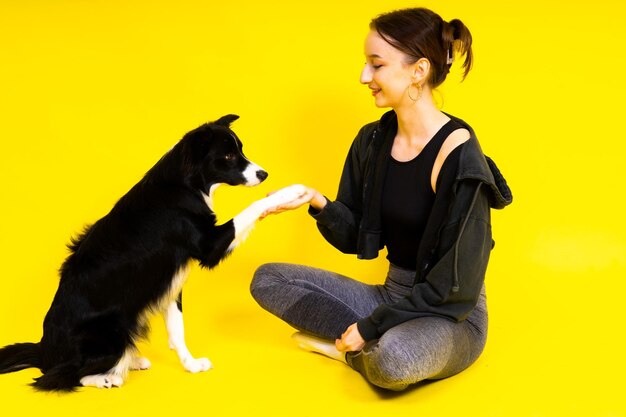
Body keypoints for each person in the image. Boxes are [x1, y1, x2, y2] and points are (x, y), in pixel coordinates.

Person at [250, 7, 512, 391]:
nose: (363, 77)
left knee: (393, 359)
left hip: (451, 318)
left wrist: (369, 327)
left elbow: (455, 289)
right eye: (365, 64)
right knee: (268, 280)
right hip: (391, 296)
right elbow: (355, 235)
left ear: (418, 71)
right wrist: (316, 200)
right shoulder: (372, 141)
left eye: (376, 65)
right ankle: (368, 342)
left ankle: (352, 350)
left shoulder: (460, 156)